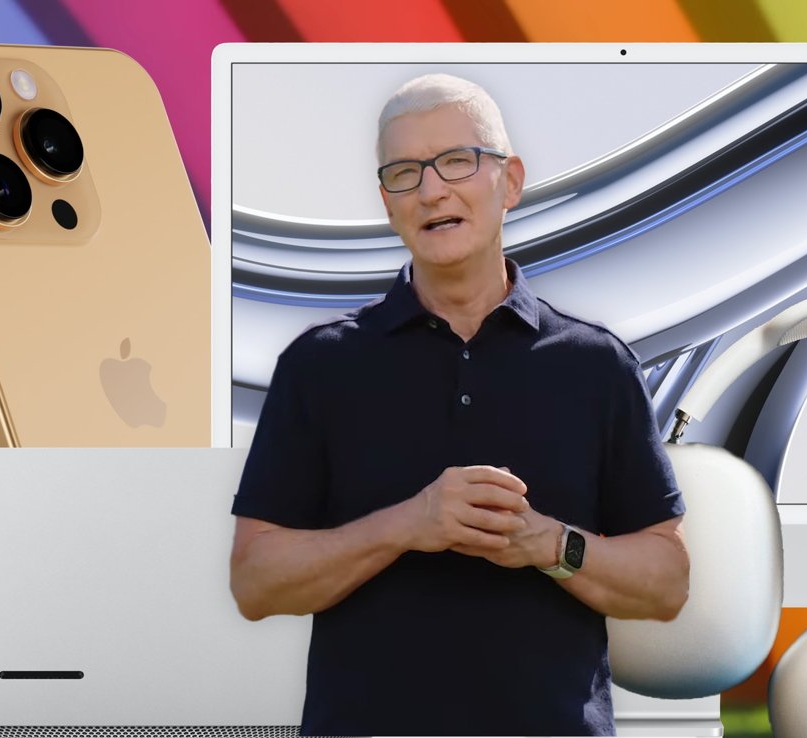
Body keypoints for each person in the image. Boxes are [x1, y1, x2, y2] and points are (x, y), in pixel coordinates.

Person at [229, 73, 689, 736]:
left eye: (456, 161)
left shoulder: (596, 366)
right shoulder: (321, 365)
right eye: (405, 172)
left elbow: (667, 583)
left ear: (510, 181)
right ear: (387, 203)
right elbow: (254, 582)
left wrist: (549, 543)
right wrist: (406, 525)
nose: (432, 189)